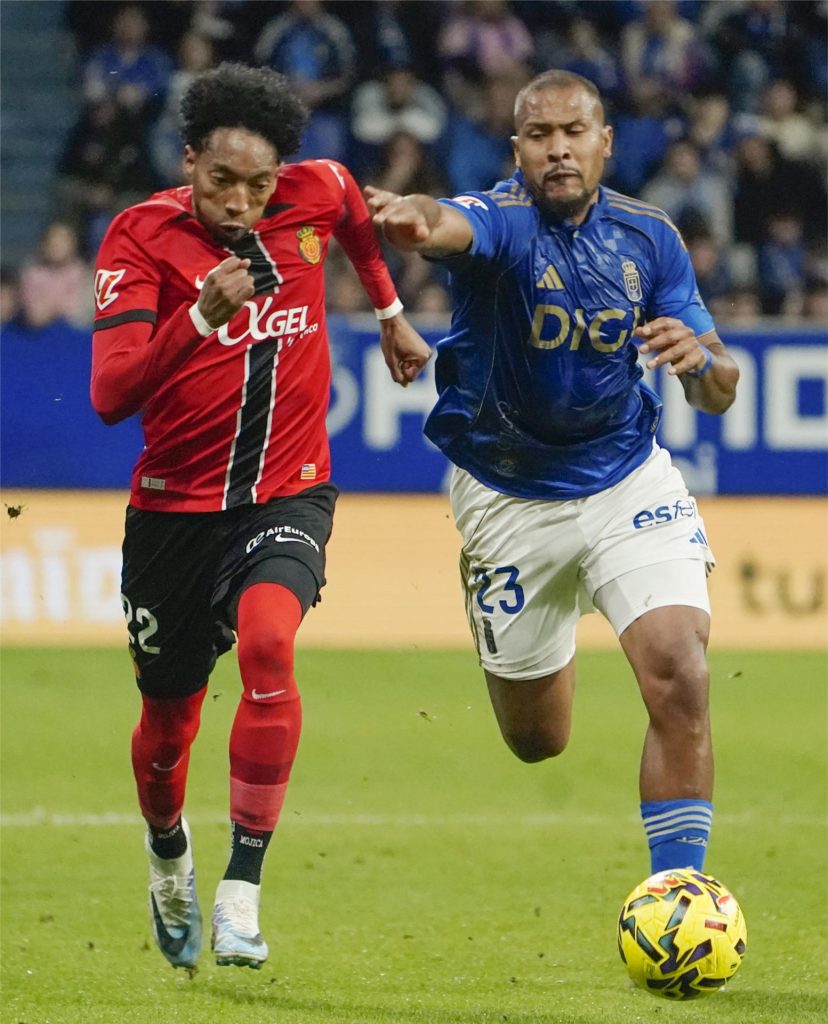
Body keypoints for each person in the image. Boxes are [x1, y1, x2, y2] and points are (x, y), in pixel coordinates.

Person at [90, 62, 430, 974]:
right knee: (168, 731)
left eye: (258, 184)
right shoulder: (138, 239)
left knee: (269, 644)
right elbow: (110, 394)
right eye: (220, 180)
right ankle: (170, 859)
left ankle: (241, 890)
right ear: (189, 159)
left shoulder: (317, 192)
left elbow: (356, 215)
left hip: (289, 489)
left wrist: (391, 312)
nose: (240, 202)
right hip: (173, 511)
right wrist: (200, 315)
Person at [366, 69, 740, 881]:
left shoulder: (652, 238)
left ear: (605, 143)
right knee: (538, 741)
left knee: (681, 669)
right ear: (518, 150)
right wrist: (413, 219)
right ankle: (542, 618)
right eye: (541, 135)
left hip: (625, 480)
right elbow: (446, 224)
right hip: (508, 497)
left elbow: (718, 391)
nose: (559, 149)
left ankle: (680, 897)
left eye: (575, 133)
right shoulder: (501, 221)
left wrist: (700, 361)